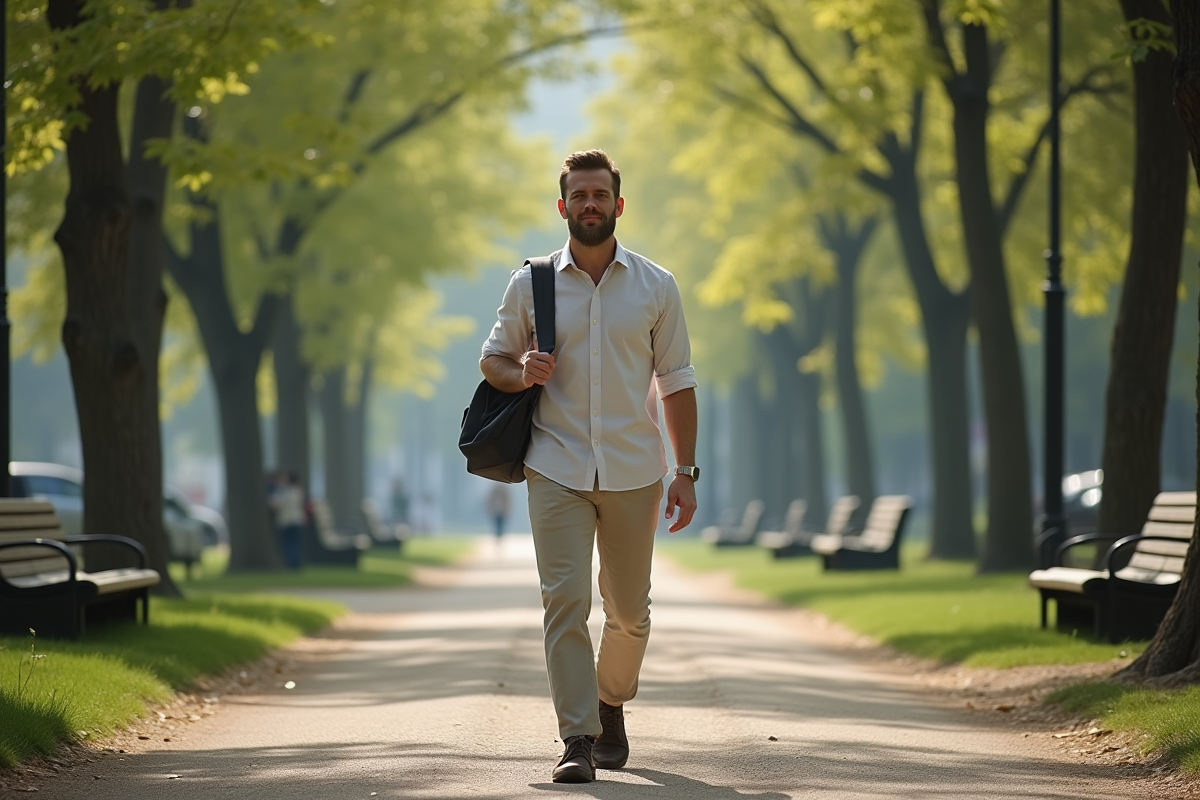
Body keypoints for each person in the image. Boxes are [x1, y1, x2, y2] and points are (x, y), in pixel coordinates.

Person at [480, 149, 699, 784]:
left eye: (600, 194)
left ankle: (610, 703)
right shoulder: (532, 284)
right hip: (556, 464)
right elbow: (492, 359)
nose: (590, 204)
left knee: (629, 613)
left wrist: (685, 471)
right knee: (564, 603)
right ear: (563, 206)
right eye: (579, 196)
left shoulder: (658, 285)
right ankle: (577, 736)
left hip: (635, 468)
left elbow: (678, 381)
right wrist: (521, 374)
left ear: (618, 205)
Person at [269, 471, 306, 570]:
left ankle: (289, 563)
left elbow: (275, 505)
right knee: (295, 544)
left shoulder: (283, 492)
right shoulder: (298, 492)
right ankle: (295, 563)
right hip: (297, 521)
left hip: (284, 522)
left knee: (286, 545)